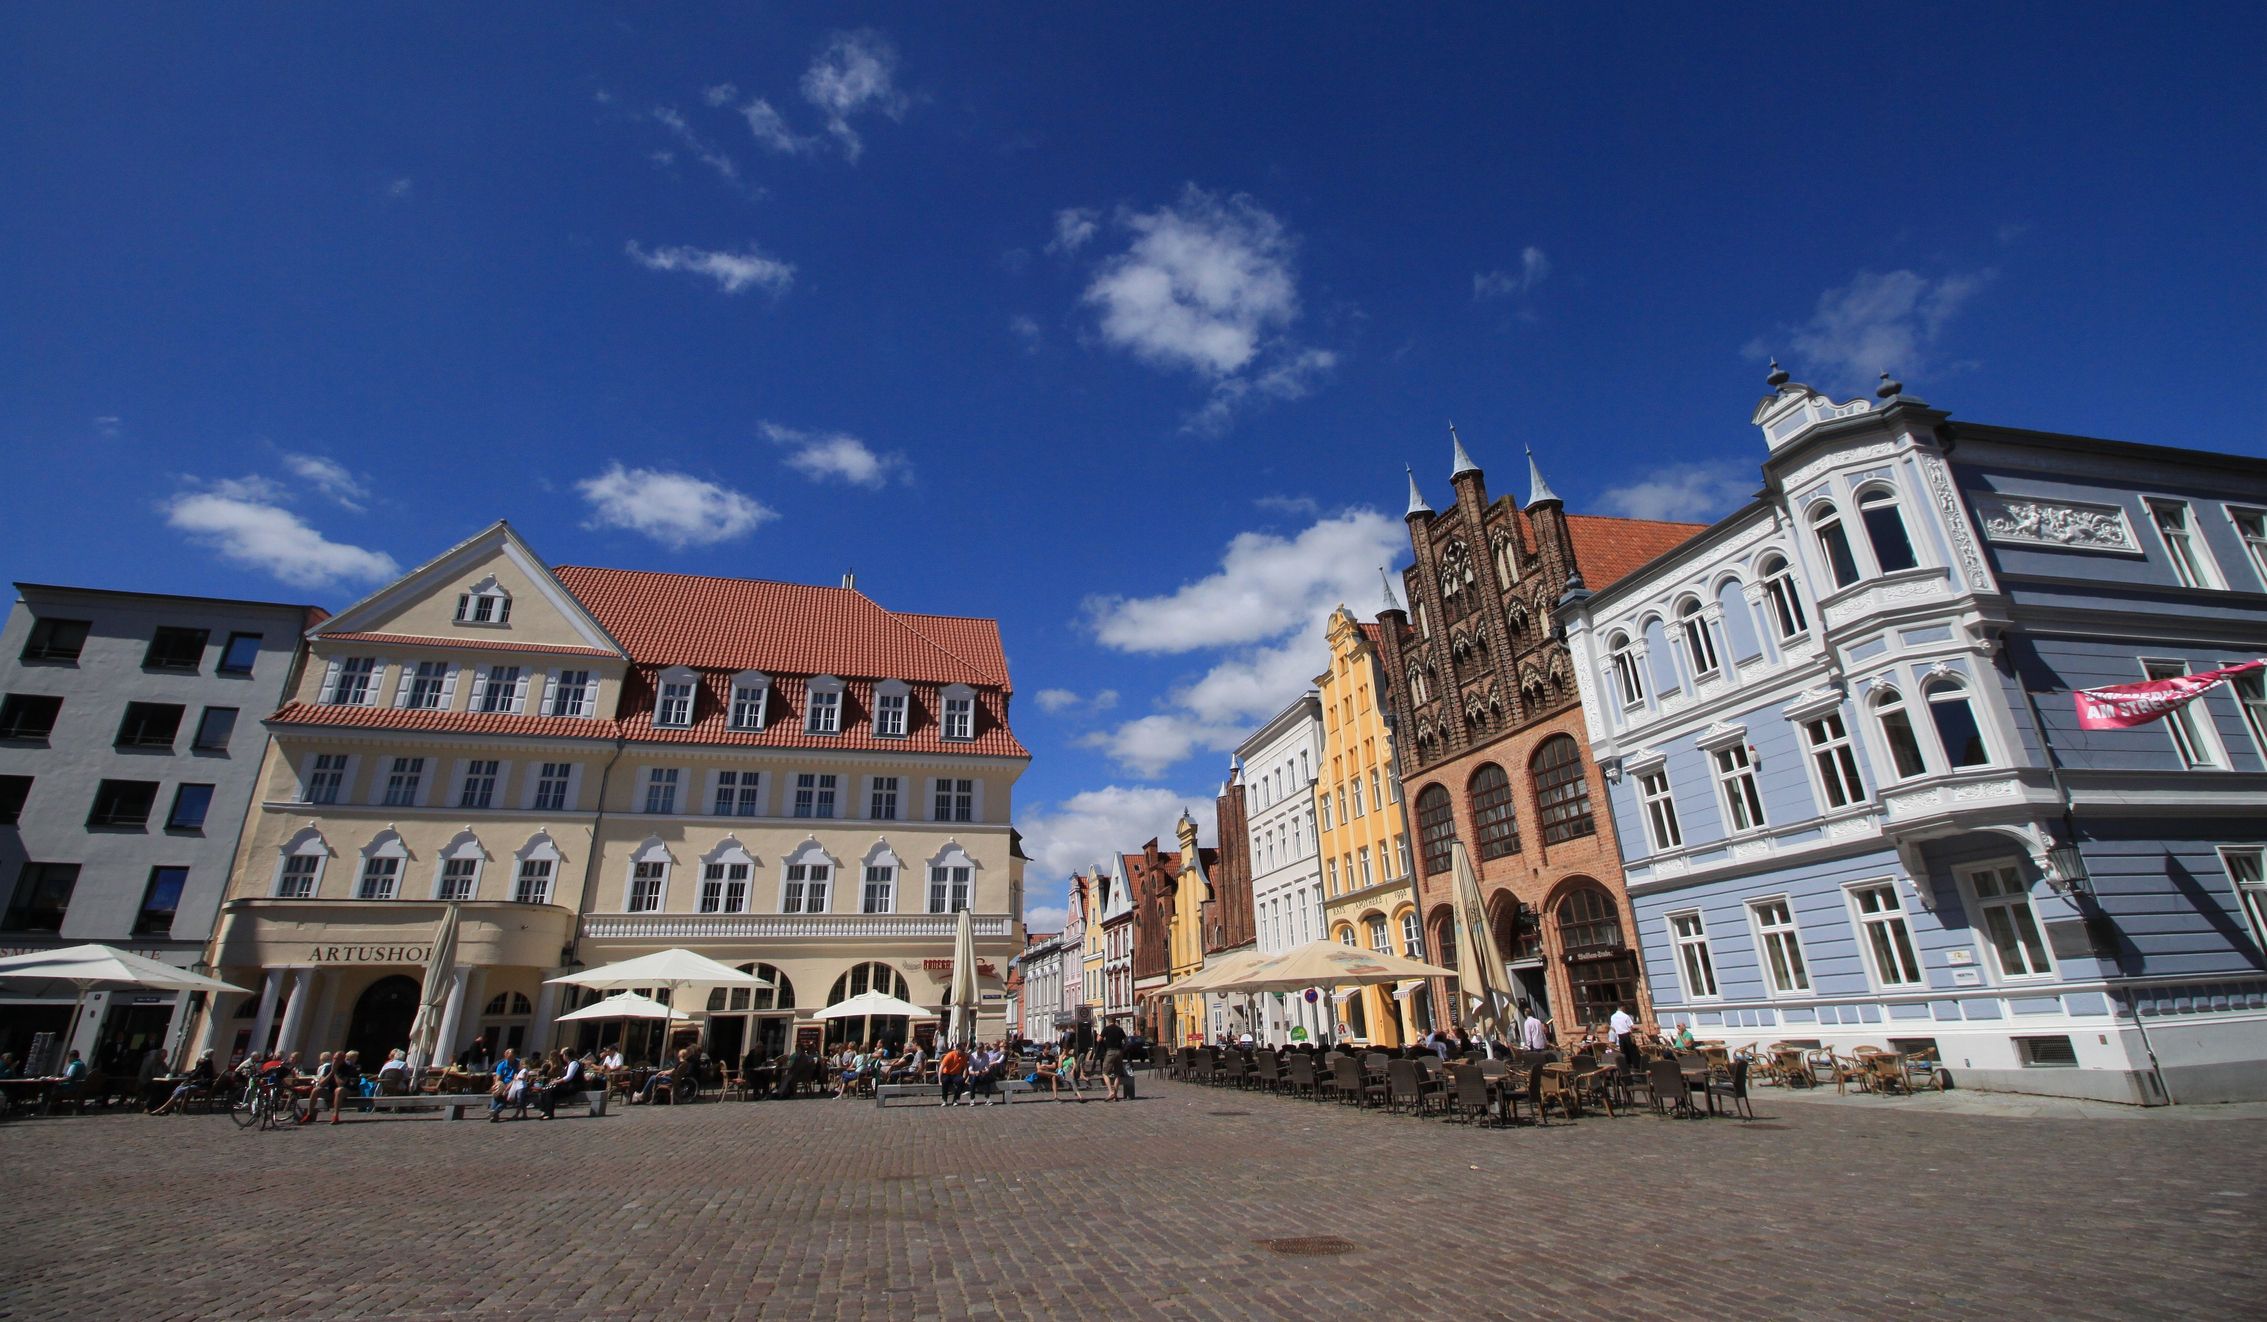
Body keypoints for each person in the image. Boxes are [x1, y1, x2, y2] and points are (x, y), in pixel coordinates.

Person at [150, 1048, 217, 1115]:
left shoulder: (206, 1063)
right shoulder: (208, 1062)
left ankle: (162, 1109)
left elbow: (197, 1073)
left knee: (180, 1089)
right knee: (178, 1088)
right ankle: (168, 1108)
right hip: (201, 1084)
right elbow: (197, 1072)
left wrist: (187, 1079)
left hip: (202, 1086)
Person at [540, 1049, 586, 1119]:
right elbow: (564, 1076)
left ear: (566, 1055)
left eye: (563, 1055)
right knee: (545, 1089)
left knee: (551, 1091)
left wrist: (556, 1082)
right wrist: (556, 1079)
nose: (562, 1057)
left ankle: (549, 1114)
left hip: (573, 1086)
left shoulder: (574, 1063)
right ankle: (544, 1111)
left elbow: (568, 1077)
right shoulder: (568, 1064)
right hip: (568, 1085)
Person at [326, 1050, 364, 1124]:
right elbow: (321, 1083)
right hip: (331, 1089)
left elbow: (341, 1084)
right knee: (316, 1090)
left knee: (339, 1090)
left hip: (349, 1089)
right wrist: (331, 1072)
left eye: (338, 1059)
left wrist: (335, 1072)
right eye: (334, 1058)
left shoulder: (348, 1068)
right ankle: (309, 1114)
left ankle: (335, 1116)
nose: (335, 1061)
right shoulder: (328, 1067)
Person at [487, 1047, 521, 1122]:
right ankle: (494, 1113)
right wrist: (498, 1087)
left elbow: (515, 1079)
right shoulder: (501, 1065)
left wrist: (506, 1089)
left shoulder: (518, 1064)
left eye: (511, 1057)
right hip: (503, 1084)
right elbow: (498, 1078)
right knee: (496, 1094)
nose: (509, 1059)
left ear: (515, 1056)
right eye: (508, 1057)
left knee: (506, 1097)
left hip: (514, 1084)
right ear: (505, 1056)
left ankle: (494, 1112)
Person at [1610, 1005, 1639, 1075]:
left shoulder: (1612, 1017)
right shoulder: (1625, 1016)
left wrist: (1618, 1029)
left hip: (1620, 1036)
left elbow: (1613, 1028)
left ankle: (1626, 1069)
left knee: (1624, 1053)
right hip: (1627, 1035)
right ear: (1622, 1007)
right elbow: (1631, 1026)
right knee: (1633, 1052)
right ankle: (1636, 1069)